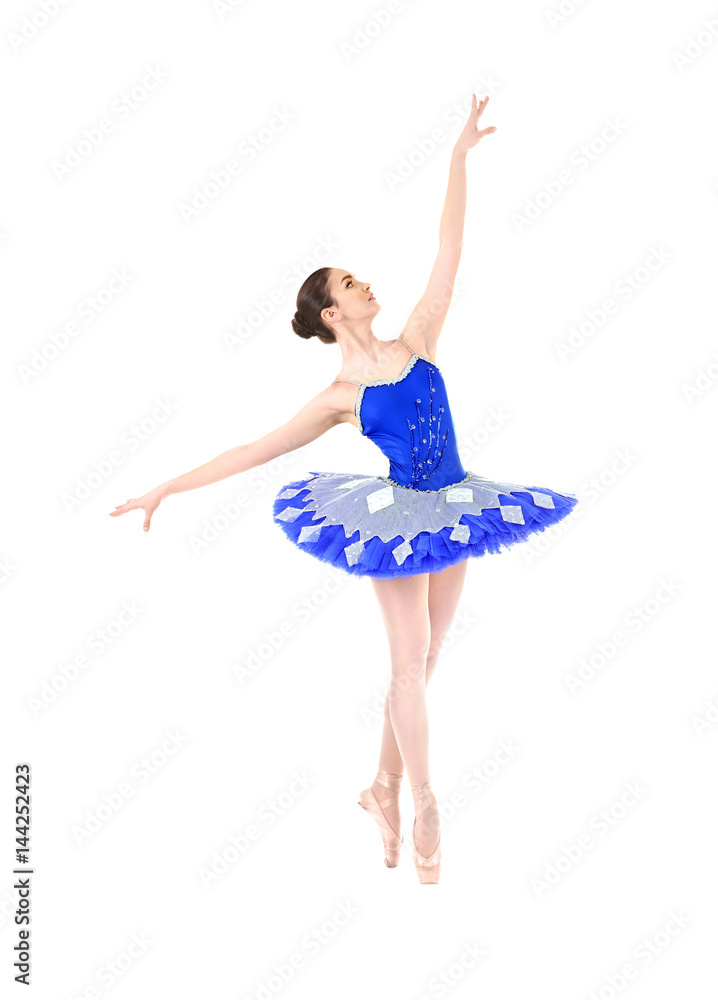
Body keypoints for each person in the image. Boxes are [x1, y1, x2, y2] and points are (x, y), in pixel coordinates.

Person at [110, 95, 578, 884]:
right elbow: (253, 448)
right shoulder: (338, 398)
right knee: (407, 669)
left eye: (362, 276)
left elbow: (449, 247)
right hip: (396, 523)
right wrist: (166, 486)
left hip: (458, 506)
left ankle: (381, 787)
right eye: (353, 283)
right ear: (333, 312)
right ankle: (425, 801)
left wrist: (458, 157)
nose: (368, 284)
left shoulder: (419, 336)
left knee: (424, 667)